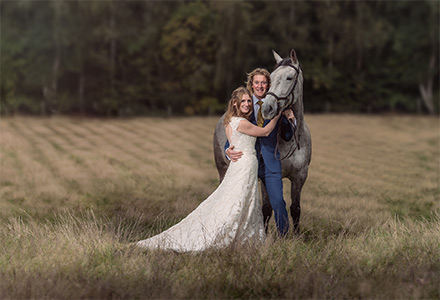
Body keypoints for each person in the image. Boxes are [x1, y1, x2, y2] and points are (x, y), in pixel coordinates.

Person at [137, 87, 282, 252]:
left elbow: (233, 143)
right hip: (245, 165)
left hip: (239, 165)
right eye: (243, 101)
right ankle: (231, 233)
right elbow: (265, 131)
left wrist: (229, 151)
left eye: (249, 101)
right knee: (240, 200)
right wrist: (277, 114)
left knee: (236, 198)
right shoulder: (242, 122)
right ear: (235, 103)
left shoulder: (229, 122)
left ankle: (241, 231)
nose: (247, 104)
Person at [225, 68, 294, 236]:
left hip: (271, 162)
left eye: (264, 82)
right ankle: (237, 234)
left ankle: (284, 237)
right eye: (257, 82)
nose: (260, 86)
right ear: (252, 84)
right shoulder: (245, 103)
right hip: (248, 162)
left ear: (268, 85)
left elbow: (286, 136)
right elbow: (234, 131)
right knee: (241, 201)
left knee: (278, 201)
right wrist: (228, 150)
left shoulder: (277, 104)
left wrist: (290, 121)